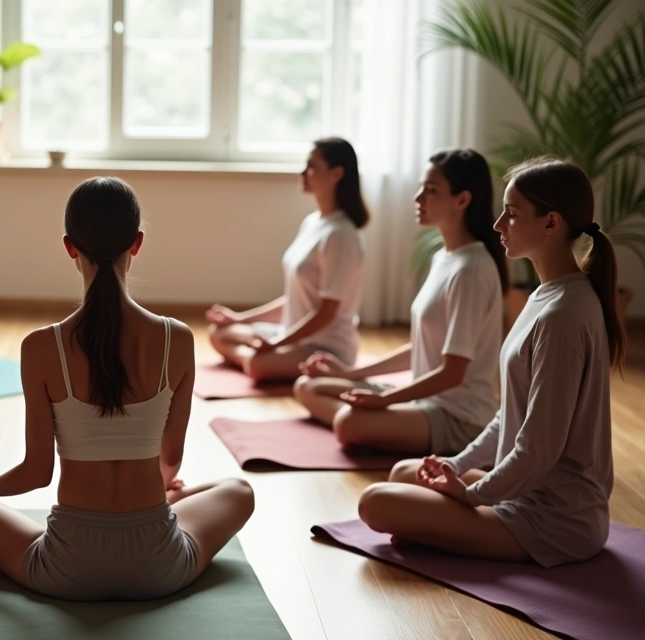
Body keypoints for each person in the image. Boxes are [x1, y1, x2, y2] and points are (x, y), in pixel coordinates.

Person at [0, 177, 255, 601]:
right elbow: (170, 459)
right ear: (136, 243)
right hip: (160, 566)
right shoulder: (178, 339)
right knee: (238, 490)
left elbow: (36, 473)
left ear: (69, 246)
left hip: (67, 568)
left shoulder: (43, 346)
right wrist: (157, 489)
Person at [358, 158, 623, 567]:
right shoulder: (544, 296)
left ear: (551, 223)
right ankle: (441, 527)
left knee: (376, 502)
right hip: (527, 492)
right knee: (405, 475)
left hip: (555, 520)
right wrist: (456, 464)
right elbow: (509, 415)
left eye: (512, 214)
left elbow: (538, 449)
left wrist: (469, 495)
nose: (498, 224)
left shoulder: (563, 315)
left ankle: (442, 528)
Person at [293, 149, 507, 454]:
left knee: (348, 423)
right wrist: (347, 374)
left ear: (462, 200)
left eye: (431, 191)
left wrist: (386, 400)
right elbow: (422, 348)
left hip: (459, 418)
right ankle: (386, 428)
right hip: (423, 402)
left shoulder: (470, 271)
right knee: (309, 387)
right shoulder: (444, 257)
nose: (418, 198)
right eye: (421, 188)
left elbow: (453, 372)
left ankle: (381, 428)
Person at [207, 137, 369, 383]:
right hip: (290, 333)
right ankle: (266, 358)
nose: (303, 173)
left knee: (256, 363)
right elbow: (296, 297)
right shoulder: (313, 222)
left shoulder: (342, 235)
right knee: (220, 333)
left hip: (325, 347)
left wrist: (274, 344)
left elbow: (326, 313)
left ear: (336, 173)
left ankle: (262, 361)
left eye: (312, 167)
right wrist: (239, 318)